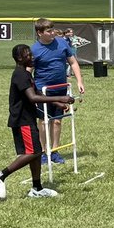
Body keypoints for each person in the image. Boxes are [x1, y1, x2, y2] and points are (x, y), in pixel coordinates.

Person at [0, 44, 75, 200]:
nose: (32, 57)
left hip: (28, 118)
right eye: (28, 55)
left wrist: (57, 104)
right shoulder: (20, 75)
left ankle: (37, 188)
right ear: (19, 58)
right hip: (22, 120)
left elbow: (37, 92)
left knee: (36, 152)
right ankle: (0, 175)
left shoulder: (26, 74)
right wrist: (60, 97)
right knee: (32, 152)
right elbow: (32, 98)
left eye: (32, 54)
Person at [31, 18, 85, 163]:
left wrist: (79, 81)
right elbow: (28, 71)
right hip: (43, 92)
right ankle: (43, 152)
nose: (53, 33)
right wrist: (31, 91)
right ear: (39, 33)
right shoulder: (34, 50)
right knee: (43, 121)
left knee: (57, 122)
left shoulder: (62, 43)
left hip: (61, 89)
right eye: (49, 31)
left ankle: (55, 151)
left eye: (53, 29)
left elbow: (73, 62)